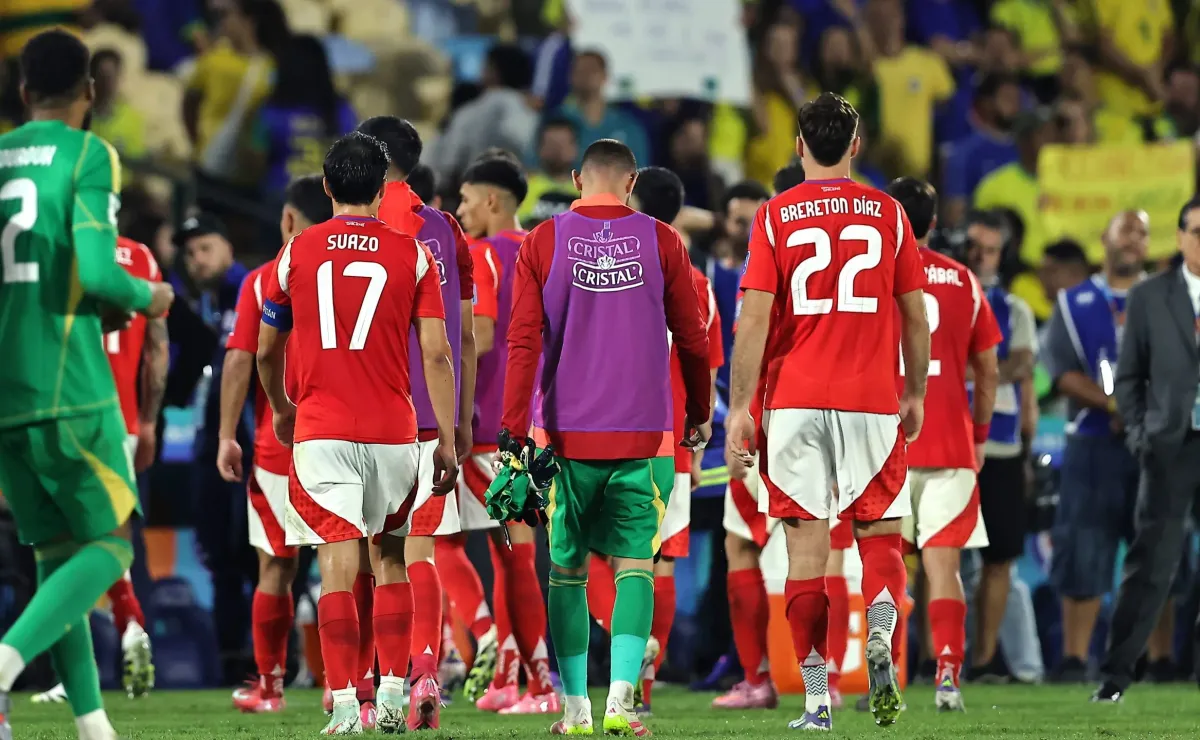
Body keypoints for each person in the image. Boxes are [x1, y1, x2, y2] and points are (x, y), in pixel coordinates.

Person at [727, 92, 930, 731]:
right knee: (880, 538)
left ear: (798, 147)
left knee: (805, 557)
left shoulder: (775, 216)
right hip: (871, 400)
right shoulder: (890, 213)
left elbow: (754, 317)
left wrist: (739, 407)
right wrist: (916, 391)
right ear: (856, 146)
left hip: (793, 401)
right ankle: (879, 627)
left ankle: (817, 696)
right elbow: (915, 315)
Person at [500, 138, 712, 735]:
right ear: (631, 181)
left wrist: (513, 432)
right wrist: (699, 410)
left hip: (562, 434)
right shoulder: (663, 241)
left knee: (565, 570)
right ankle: (622, 702)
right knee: (635, 566)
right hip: (646, 435)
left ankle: (575, 710)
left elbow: (522, 344)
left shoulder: (542, 241)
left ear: (574, 180)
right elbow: (692, 340)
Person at [0, 29, 174, 740]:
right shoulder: (89, 154)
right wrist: (151, 298)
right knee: (112, 545)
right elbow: (101, 276)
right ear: (90, 91)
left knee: (54, 557)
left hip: (7, 393)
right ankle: (5, 661)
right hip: (69, 380)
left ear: (21, 94)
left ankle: (94, 727)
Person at [257, 132, 459, 736]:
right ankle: (394, 692)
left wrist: (282, 408)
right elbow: (437, 355)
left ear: (325, 187)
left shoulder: (295, 254)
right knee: (392, 556)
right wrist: (446, 439)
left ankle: (347, 704)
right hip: (395, 432)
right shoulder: (413, 254)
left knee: (337, 566)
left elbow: (267, 350)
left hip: (322, 429)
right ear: (382, 188)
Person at [580, 166, 724, 715]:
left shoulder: (606, 262)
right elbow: (704, 360)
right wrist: (701, 419)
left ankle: (625, 644)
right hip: (672, 434)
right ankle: (643, 682)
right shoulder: (698, 282)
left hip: (607, 424)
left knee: (590, 547)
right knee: (657, 559)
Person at [357, 115, 475, 731]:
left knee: (374, 558)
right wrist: (460, 420)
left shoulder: (357, 226)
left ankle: (371, 683)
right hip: (434, 414)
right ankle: (427, 665)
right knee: (421, 547)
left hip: (371, 409)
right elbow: (463, 337)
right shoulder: (447, 229)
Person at [30, 231, 171, 706]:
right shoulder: (142, 255)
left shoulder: (55, 247)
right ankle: (125, 630)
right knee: (104, 537)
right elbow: (157, 348)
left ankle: (112, 637)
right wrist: (149, 422)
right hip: (123, 420)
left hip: (68, 409)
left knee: (66, 544)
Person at [443, 155, 557, 715]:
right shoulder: (544, 250)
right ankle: (514, 677)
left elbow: (480, 336)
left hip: (486, 426)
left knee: (440, 543)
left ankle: (513, 661)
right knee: (514, 553)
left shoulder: (481, 254)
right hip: (533, 423)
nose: (459, 211)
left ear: (492, 201)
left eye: (465, 200)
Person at [215, 174, 331, 714]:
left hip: (277, 447)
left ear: (288, 220)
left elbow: (242, 357)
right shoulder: (363, 271)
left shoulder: (263, 279)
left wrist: (224, 435)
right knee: (347, 566)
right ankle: (347, 684)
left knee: (275, 569)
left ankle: (271, 686)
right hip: (347, 442)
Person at [888, 177, 1002, 711]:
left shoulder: (870, 278)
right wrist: (979, 436)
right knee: (944, 569)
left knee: (884, 567)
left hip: (884, 443)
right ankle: (948, 676)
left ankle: (880, 669)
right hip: (951, 445)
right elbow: (989, 369)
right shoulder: (963, 280)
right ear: (933, 224)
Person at [1095, 198, 1200, 701]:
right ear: (1179, 238)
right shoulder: (1151, 297)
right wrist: (1141, 433)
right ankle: (1116, 676)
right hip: (1169, 446)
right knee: (1152, 563)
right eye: (1197, 232)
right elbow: (1130, 376)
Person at [1043, 210, 1148, 683]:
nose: (1133, 240)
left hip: (1154, 442)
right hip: (1092, 441)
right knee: (1083, 547)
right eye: (1124, 229)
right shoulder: (1073, 302)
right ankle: (1072, 658)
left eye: (1142, 232)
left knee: (1158, 554)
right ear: (1103, 238)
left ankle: (1160, 660)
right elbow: (1062, 372)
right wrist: (1112, 406)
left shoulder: (1167, 297)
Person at [175, 212, 254, 684]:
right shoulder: (201, 305)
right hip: (211, 444)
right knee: (219, 556)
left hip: (250, 443)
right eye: (189, 253)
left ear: (227, 246)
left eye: (205, 248)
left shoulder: (253, 289)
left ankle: (273, 660)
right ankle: (230, 661)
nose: (196, 260)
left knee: (257, 554)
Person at [962, 210, 1040, 683]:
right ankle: (936, 658)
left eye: (989, 249)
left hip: (1002, 447)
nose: (980, 256)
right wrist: (994, 369)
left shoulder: (1015, 309)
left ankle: (984, 660)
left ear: (1002, 255)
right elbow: (1010, 366)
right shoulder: (940, 297)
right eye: (975, 247)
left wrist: (966, 372)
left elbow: (1022, 366)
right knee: (939, 554)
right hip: (949, 442)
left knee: (999, 557)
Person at [251, 34, 356, 199]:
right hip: (329, 203)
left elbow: (255, 161)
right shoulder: (343, 111)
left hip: (280, 201)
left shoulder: (271, 111)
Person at [432, 43, 538, 181]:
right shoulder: (532, 115)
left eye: (486, 66)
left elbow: (449, 164)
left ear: (495, 71)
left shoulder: (469, 112)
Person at [554, 51, 651, 169]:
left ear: (605, 76)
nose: (585, 75)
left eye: (592, 70)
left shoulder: (628, 126)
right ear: (570, 77)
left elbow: (640, 173)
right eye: (579, 71)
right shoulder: (554, 122)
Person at [519, 117, 579, 227]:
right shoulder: (524, 187)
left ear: (574, 148)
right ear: (540, 148)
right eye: (552, 144)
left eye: (562, 144)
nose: (557, 151)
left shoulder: (586, 191)